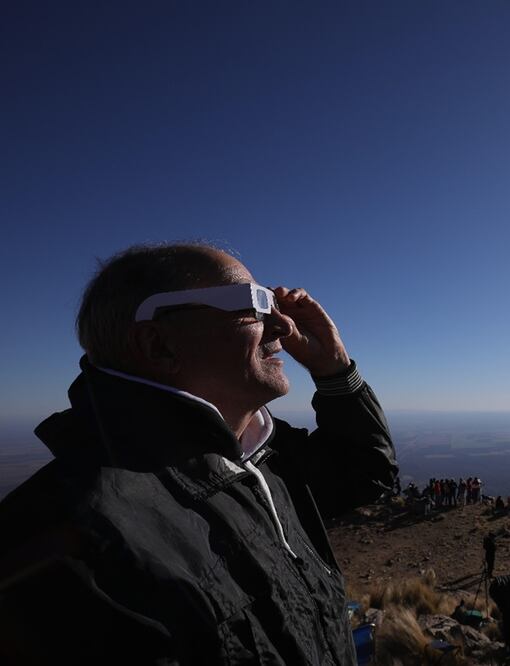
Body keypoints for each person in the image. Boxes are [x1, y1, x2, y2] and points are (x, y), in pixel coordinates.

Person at [0, 243, 398, 664]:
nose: (282, 324)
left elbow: (366, 473)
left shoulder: (260, 458)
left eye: (272, 302)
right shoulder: (68, 543)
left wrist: (334, 368)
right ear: (158, 344)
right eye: (253, 303)